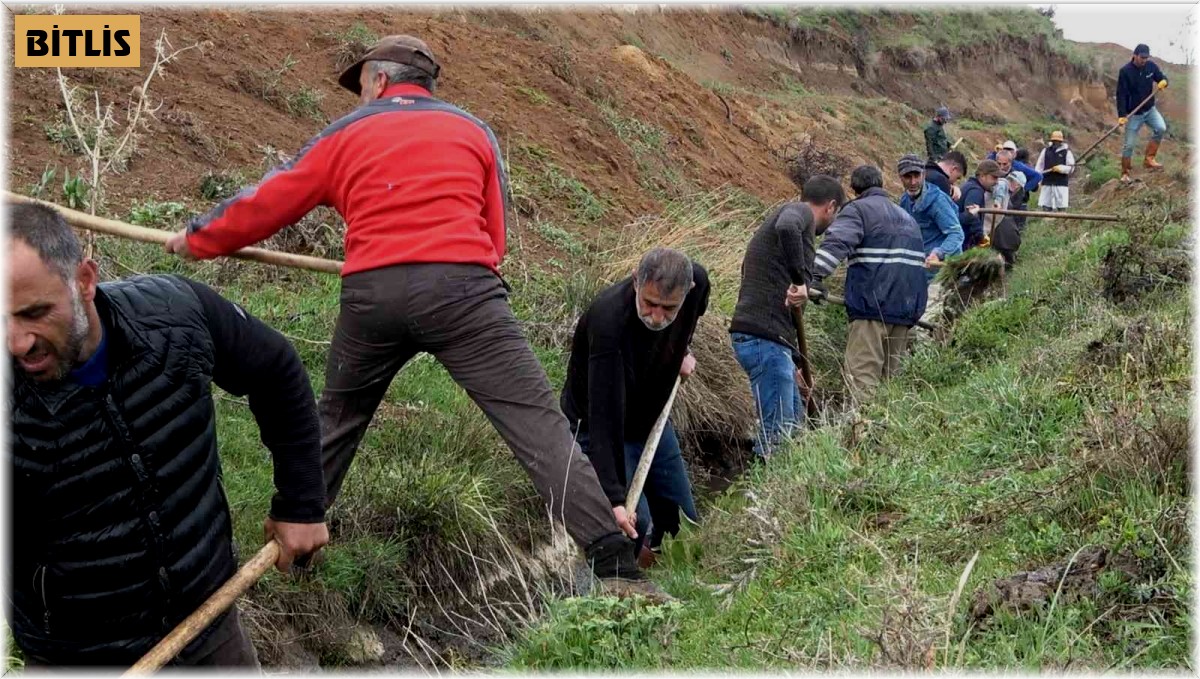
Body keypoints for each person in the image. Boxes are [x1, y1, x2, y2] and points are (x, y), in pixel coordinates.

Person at [163, 35, 655, 591]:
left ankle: (294, 550)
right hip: (465, 292)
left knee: (336, 421)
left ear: (379, 81)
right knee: (536, 424)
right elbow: (495, 240)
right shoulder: (474, 131)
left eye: (362, 87)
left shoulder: (348, 133)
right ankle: (615, 564)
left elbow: (271, 198)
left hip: (373, 295)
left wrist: (198, 239)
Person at [7, 202, 329, 667]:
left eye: (35, 313)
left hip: (210, 624)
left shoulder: (174, 315)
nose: (17, 342)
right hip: (80, 657)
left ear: (85, 281)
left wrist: (301, 502)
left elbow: (275, 369)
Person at [562, 248, 709, 568]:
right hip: (596, 424)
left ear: (688, 292)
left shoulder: (698, 283)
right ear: (635, 283)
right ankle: (611, 588)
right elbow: (605, 418)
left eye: (669, 308)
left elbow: (688, 321)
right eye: (650, 304)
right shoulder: (609, 322)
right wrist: (614, 500)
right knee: (630, 524)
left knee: (683, 522)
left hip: (650, 414)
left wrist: (680, 351)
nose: (657, 316)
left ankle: (671, 585)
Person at [729, 175, 845, 459]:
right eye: (837, 213)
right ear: (830, 207)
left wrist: (795, 364)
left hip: (772, 341)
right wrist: (799, 280)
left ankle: (781, 494)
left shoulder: (789, 222)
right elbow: (787, 226)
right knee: (778, 435)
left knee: (792, 428)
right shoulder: (799, 213)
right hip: (762, 339)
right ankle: (759, 496)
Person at [810, 166, 928, 404]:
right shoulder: (907, 217)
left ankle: (862, 436)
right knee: (890, 386)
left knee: (862, 381)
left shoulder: (857, 211)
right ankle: (888, 436)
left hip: (872, 309)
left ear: (855, 189)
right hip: (906, 312)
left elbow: (836, 243)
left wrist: (814, 276)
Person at [897, 154, 963, 282]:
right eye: (907, 177)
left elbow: (956, 234)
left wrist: (939, 253)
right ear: (900, 177)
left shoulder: (937, 201)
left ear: (924, 174)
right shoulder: (905, 201)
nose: (913, 182)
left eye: (917, 176)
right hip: (921, 270)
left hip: (942, 273)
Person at [1116, 43, 1169, 182]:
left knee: (1161, 128)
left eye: (1146, 57)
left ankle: (1149, 159)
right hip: (1134, 114)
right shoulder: (1125, 71)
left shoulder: (1151, 67)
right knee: (1129, 145)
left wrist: (1164, 81)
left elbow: (1161, 77)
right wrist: (1122, 115)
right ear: (1135, 55)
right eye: (1141, 57)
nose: (1144, 60)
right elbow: (1121, 94)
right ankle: (1125, 173)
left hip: (1150, 109)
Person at [986, 170, 1027, 270]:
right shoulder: (1003, 184)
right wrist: (998, 202)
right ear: (1017, 185)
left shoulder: (1002, 187)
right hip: (995, 229)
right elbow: (999, 193)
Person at [957, 159, 1002, 250]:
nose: (997, 182)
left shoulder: (969, 186)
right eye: (994, 177)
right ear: (982, 176)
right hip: (961, 241)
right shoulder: (976, 191)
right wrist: (981, 238)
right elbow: (971, 216)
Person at [1035, 130, 1076, 212]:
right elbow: (1039, 166)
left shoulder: (1067, 152)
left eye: (1058, 141)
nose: (1056, 143)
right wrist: (1037, 178)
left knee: (1061, 206)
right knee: (1046, 205)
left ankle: (1060, 222)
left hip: (1061, 183)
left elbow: (1071, 168)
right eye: (1054, 141)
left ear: (1061, 141)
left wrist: (1061, 169)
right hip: (1047, 182)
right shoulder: (1046, 151)